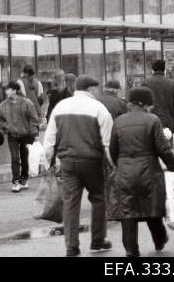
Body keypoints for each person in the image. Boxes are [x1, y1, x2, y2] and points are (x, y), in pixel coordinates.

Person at [45, 75, 114, 257]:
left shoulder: (60, 107)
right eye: (96, 89)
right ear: (91, 89)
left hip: (67, 162)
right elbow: (108, 141)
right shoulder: (99, 108)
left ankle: (72, 247)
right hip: (92, 162)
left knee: (70, 203)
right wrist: (112, 163)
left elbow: (50, 137)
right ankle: (97, 241)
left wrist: (49, 161)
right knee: (99, 198)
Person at [108, 86, 174, 257]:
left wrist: (122, 163)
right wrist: (173, 167)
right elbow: (164, 149)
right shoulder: (153, 120)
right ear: (145, 104)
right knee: (152, 207)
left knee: (128, 211)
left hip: (124, 171)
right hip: (149, 171)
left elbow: (113, 150)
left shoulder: (118, 121)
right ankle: (160, 239)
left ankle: (131, 250)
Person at [0, 81, 39, 193]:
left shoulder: (27, 103)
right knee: (15, 158)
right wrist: (5, 126)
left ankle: (24, 179)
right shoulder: (3, 105)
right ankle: (16, 182)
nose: (6, 91)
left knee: (24, 158)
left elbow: (33, 118)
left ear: (14, 90)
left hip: (25, 134)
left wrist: (34, 134)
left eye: (8, 89)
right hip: (12, 135)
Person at [144, 60, 174, 145]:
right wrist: (170, 112)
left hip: (149, 122)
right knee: (167, 150)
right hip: (167, 123)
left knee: (151, 149)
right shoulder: (172, 84)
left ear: (153, 70)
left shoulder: (146, 83)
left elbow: (141, 103)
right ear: (164, 70)